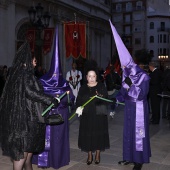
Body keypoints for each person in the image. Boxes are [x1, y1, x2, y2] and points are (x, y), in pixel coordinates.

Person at [0, 42, 59, 170]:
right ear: (27, 60)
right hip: (25, 122)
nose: (36, 62)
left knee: (28, 157)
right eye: (34, 59)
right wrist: (50, 99)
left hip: (30, 120)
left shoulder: (24, 75)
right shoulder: (24, 76)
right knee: (22, 156)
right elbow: (30, 92)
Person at [110, 20, 151, 170]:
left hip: (139, 108)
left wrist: (131, 84)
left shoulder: (143, 77)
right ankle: (129, 156)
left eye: (124, 66)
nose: (123, 68)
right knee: (128, 132)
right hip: (128, 108)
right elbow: (123, 92)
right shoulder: (126, 75)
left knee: (138, 134)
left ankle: (139, 160)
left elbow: (141, 95)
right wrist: (115, 99)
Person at [76, 61, 110, 165]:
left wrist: (99, 96)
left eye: (93, 76)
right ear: (86, 77)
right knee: (88, 136)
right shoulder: (83, 88)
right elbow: (78, 101)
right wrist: (80, 106)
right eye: (89, 76)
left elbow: (106, 100)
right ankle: (90, 155)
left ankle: (98, 154)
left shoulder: (101, 86)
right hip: (87, 116)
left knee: (98, 135)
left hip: (98, 116)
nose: (91, 78)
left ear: (96, 77)